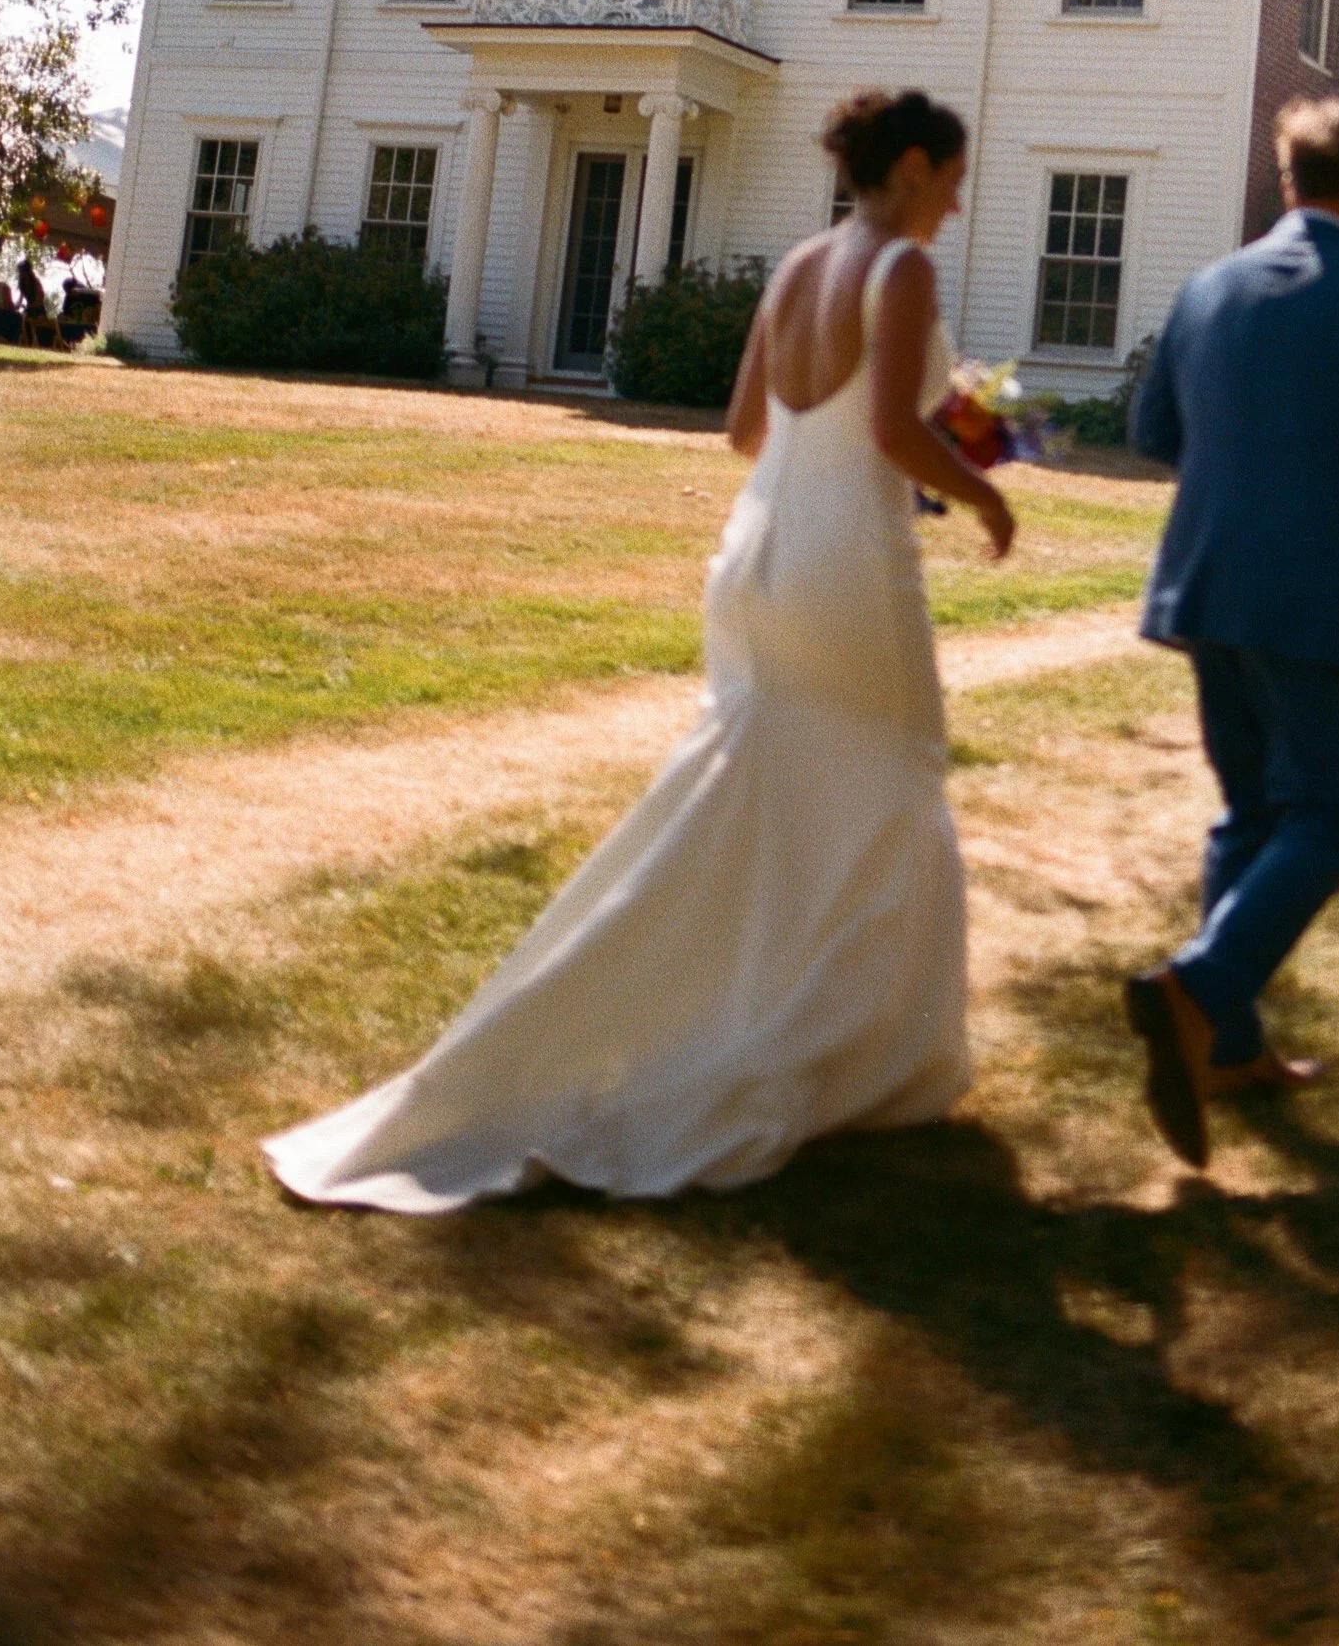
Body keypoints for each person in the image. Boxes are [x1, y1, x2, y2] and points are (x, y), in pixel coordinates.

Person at [265, 86, 1015, 1214]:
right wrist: (983, 496)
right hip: (846, 560)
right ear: (911, 167)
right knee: (899, 779)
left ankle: (698, 1012)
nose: (953, 208)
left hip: (758, 549)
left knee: (761, 795)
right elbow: (894, 432)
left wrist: (932, 424)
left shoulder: (796, 265)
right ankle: (850, 1051)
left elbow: (745, 429)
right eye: (951, 182)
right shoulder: (895, 268)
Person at [1121, 96, 1339, 1168]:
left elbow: (1151, 432)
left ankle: (1226, 1047)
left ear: (1286, 184)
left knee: (1251, 810)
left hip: (1204, 587)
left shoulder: (1206, 287)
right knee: (1328, 814)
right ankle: (1199, 988)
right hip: (1317, 595)